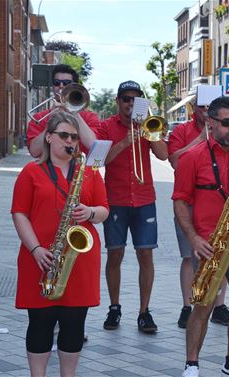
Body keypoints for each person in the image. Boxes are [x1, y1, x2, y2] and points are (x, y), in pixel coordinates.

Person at [11, 111, 109, 376]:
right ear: (49, 137)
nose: (70, 141)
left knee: (74, 324)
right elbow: (19, 213)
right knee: (40, 324)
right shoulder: (31, 171)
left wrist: (89, 212)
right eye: (64, 135)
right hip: (40, 258)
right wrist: (36, 249)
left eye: (75, 137)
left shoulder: (89, 172)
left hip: (79, 261)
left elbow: (104, 210)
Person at [173, 96, 229, 377]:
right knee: (203, 304)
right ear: (211, 123)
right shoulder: (192, 157)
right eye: (226, 123)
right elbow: (179, 200)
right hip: (209, 243)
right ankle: (192, 363)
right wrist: (193, 238)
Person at [95, 80, 168, 333]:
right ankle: (114, 307)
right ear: (118, 101)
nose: (130, 103)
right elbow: (100, 160)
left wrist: (150, 131)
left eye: (135, 99)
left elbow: (163, 155)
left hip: (144, 199)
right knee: (115, 254)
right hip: (114, 199)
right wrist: (126, 141)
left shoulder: (147, 125)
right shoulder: (106, 126)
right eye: (126, 98)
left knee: (145, 255)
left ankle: (144, 311)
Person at [168, 96, 229, 329]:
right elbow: (174, 160)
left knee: (220, 254)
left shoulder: (225, 129)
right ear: (194, 108)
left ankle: (220, 305)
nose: (205, 111)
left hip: (216, 203)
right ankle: (187, 306)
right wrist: (201, 139)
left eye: (208, 107)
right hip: (188, 202)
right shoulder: (182, 130)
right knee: (188, 256)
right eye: (201, 107)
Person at [26, 64, 99, 158]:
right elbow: (34, 152)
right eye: (56, 82)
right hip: (48, 170)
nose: (61, 86)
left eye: (66, 83)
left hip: (80, 170)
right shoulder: (39, 118)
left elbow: (93, 146)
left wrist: (74, 112)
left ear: (74, 86)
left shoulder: (89, 117)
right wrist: (50, 122)